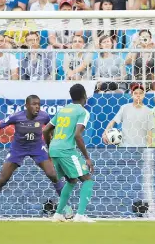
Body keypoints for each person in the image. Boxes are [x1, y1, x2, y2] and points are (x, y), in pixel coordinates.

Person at [0, 95, 73, 220]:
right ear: (26, 106)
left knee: (53, 174)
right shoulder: (16, 117)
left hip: (37, 148)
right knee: (2, 179)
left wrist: (53, 143)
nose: (37, 106)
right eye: (33, 104)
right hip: (18, 149)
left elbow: (51, 129)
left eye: (38, 104)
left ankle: (66, 206)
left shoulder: (44, 116)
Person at [43, 84, 95, 222]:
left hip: (55, 149)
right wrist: (87, 158)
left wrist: (50, 148)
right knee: (87, 179)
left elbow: (45, 130)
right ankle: (80, 215)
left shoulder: (63, 110)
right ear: (84, 96)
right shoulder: (83, 112)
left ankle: (58, 214)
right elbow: (78, 135)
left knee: (71, 180)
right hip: (66, 150)